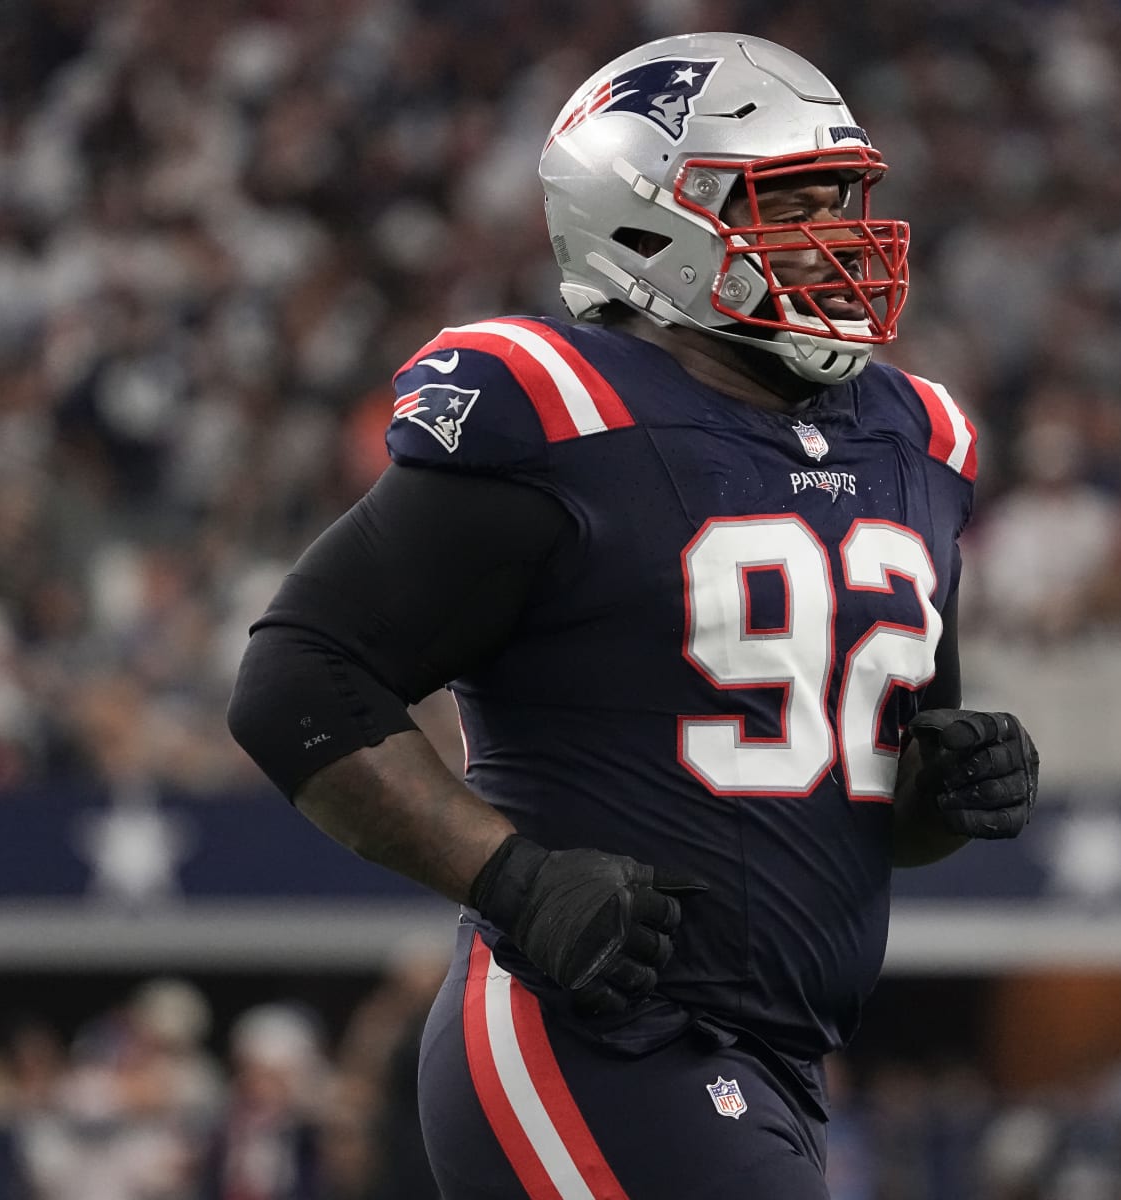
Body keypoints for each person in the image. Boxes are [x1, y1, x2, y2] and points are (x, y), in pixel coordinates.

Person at [228, 32, 1039, 1199]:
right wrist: (513, 881)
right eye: (789, 203)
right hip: (590, 1034)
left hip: (786, 1055)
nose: (842, 237)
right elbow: (298, 678)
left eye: (844, 200)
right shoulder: (561, 411)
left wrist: (948, 794)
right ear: (648, 222)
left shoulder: (914, 439)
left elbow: (874, 803)